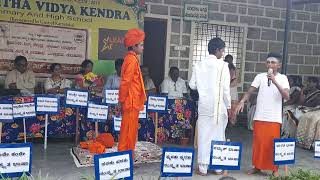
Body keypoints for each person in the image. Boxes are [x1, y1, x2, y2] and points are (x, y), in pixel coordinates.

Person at [235, 52, 290, 177]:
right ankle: (257, 166)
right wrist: (242, 101)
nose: (270, 64)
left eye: (273, 62)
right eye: (268, 62)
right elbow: (250, 91)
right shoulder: (260, 76)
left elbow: (287, 96)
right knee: (259, 143)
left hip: (274, 117)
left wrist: (275, 82)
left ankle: (274, 169)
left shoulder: (283, 78)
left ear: (279, 65)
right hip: (260, 115)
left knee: (271, 144)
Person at [189, 37, 231, 175]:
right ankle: (218, 168)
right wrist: (229, 106)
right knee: (218, 135)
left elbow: (192, 85)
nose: (223, 54)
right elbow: (226, 89)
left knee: (203, 136)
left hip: (204, 106)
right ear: (217, 50)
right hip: (219, 107)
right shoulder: (223, 66)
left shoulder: (198, 65)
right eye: (222, 51)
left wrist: (203, 87)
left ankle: (202, 168)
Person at [118, 29, 147, 155]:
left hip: (133, 100)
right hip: (130, 100)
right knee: (128, 130)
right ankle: (125, 156)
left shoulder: (133, 58)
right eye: (141, 45)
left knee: (130, 130)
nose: (143, 48)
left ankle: (128, 153)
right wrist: (122, 100)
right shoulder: (131, 59)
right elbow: (125, 81)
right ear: (134, 46)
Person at [224, 54, 238, 125]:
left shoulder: (226, 68)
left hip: (229, 89)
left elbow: (233, 78)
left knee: (228, 106)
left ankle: (229, 122)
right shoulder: (231, 68)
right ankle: (231, 122)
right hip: (231, 89)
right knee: (232, 106)